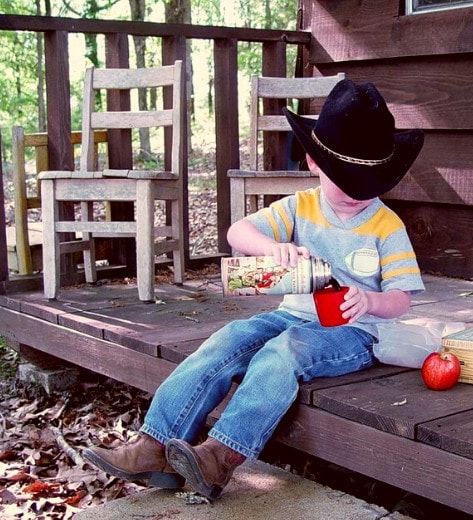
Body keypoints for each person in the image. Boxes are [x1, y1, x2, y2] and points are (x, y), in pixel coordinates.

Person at [82, 79, 426, 500]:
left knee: (283, 352)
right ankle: (155, 446)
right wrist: (272, 248)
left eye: (367, 181)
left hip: (354, 332)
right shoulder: (299, 207)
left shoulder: (387, 226)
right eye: (344, 177)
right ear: (314, 163)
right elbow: (237, 232)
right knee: (228, 340)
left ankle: (219, 457)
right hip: (290, 315)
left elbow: (401, 299)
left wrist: (371, 300)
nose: (356, 192)